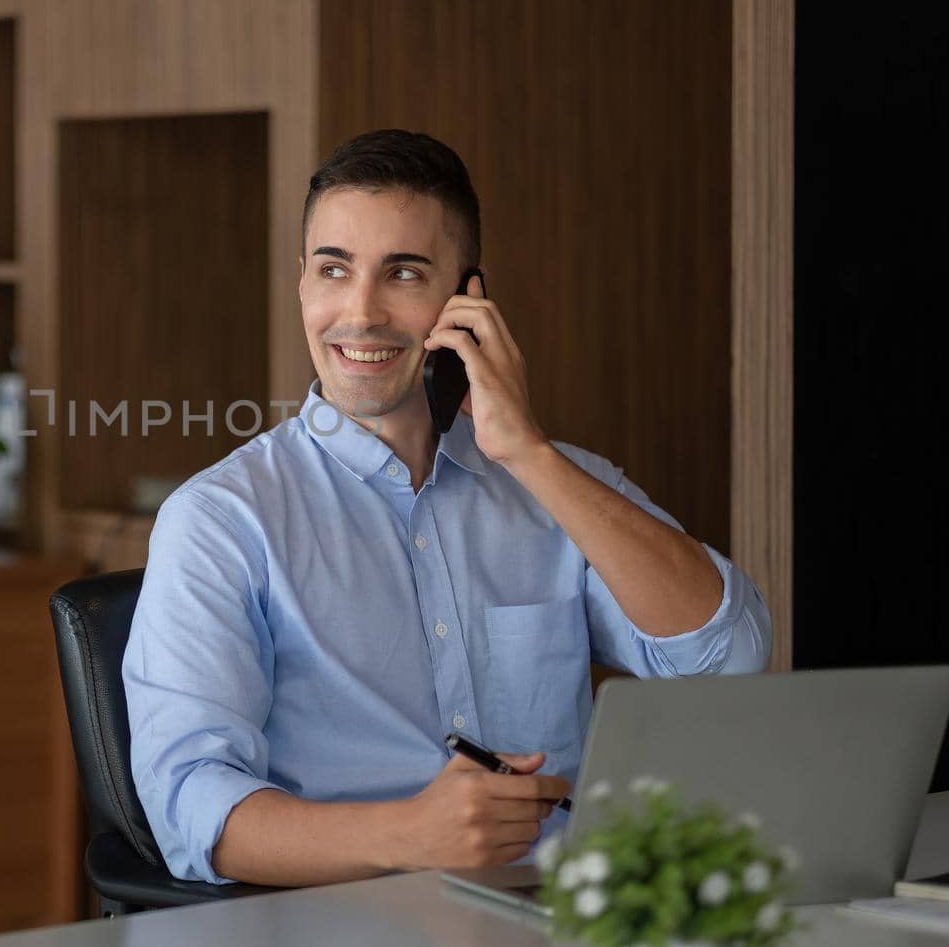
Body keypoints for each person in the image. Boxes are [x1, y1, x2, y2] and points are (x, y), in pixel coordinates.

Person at [123, 130, 771, 887]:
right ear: (303, 283)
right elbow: (191, 807)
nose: (360, 312)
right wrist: (409, 833)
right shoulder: (220, 520)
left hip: (559, 916)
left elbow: (730, 656)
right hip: (345, 925)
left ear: (467, 300)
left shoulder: (555, 484)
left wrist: (528, 454)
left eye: (403, 273)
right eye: (335, 269)